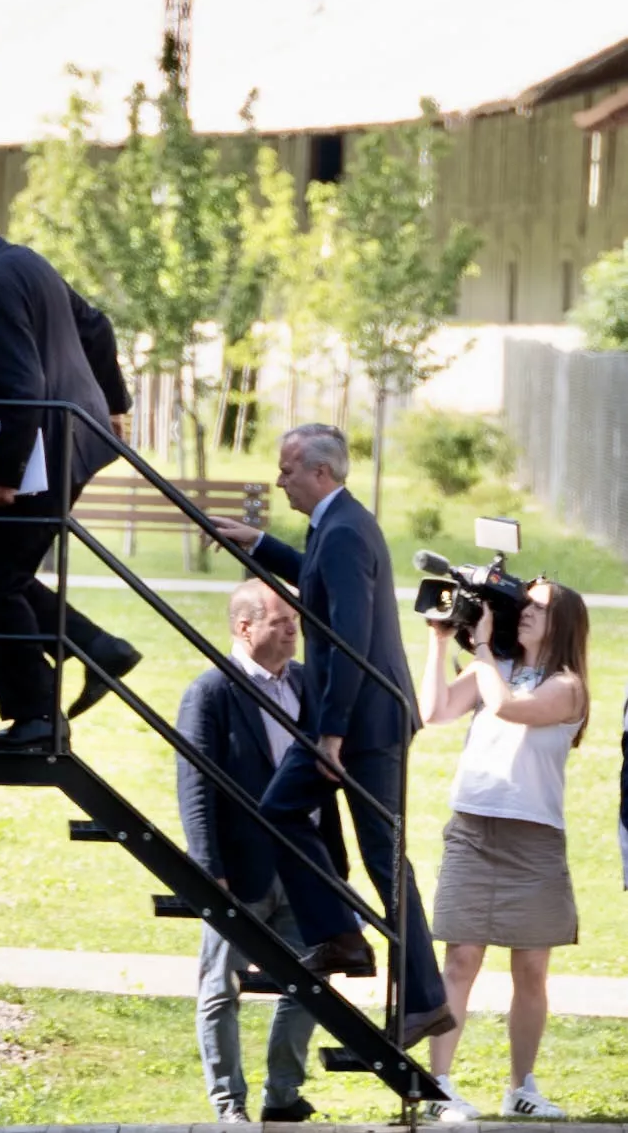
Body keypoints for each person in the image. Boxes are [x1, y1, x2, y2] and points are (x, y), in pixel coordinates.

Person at [209, 424, 455, 1048]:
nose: (279, 478)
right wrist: (260, 543)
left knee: (382, 859)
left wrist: (332, 736)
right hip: (348, 719)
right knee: (282, 811)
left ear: (320, 473)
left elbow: (345, 641)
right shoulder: (337, 523)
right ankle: (342, 936)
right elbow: (317, 589)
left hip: (362, 725)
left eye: (287, 468)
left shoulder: (343, 530)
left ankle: (422, 1000)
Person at [0, 194, 138, 750]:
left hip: (44, 453)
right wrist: (112, 408)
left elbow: (25, 388)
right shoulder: (27, 262)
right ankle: (93, 648)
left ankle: (40, 716)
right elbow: (96, 326)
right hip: (67, 445)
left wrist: (4, 475)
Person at [415, 580, 590, 1121]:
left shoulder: (568, 686)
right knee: (461, 959)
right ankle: (438, 1084)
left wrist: (485, 648)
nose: (526, 612)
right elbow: (436, 711)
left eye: (538, 606)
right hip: (474, 827)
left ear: (562, 621)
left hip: (534, 838)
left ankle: (521, 1087)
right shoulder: (495, 667)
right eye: (526, 603)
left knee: (531, 970)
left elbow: (509, 709)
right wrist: (442, 642)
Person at [178, 581, 347, 1123]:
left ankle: (282, 1095)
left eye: (295, 621)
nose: (294, 630)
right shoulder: (211, 692)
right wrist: (210, 871)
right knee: (220, 988)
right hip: (241, 871)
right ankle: (229, 1104)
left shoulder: (306, 683)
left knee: (311, 983)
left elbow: (328, 775)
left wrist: (336, 864)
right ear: (244, 628)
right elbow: (196, 786)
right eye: (281, 622)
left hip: (305, 866)